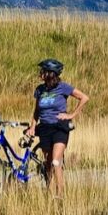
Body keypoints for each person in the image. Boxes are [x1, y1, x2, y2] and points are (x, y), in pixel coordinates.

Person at [25, 58, 89, 198]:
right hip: (45, 128)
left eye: (43, 71)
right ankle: (49, 191)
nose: (40, 74)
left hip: (60, 128)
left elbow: (84, 98)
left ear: (50, 73)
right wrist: (32, 127)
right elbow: (36, 111)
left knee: (56, 161)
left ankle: (60, 196)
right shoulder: (40, 89)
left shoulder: (63, 87)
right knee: (48, 163)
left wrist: (71, 115)